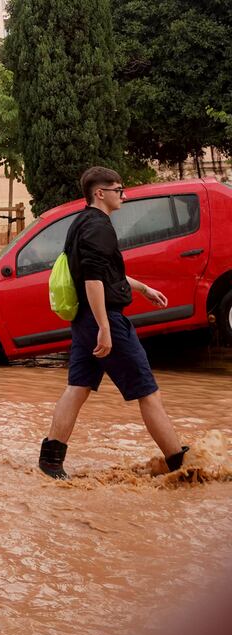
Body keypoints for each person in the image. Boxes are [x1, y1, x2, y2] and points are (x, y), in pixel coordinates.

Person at [38, 167, 188, 479]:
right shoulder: (99, 226)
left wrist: (144, 288)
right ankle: (181, 465)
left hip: (83, 320)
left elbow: (106, 273)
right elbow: (93, 280)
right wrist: (105, 327)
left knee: (77, 388)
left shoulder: (80, 222)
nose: (123, 195)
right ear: (99, 193)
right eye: (118, 189)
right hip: (103, 319)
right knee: (148, 392)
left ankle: (50, 461)